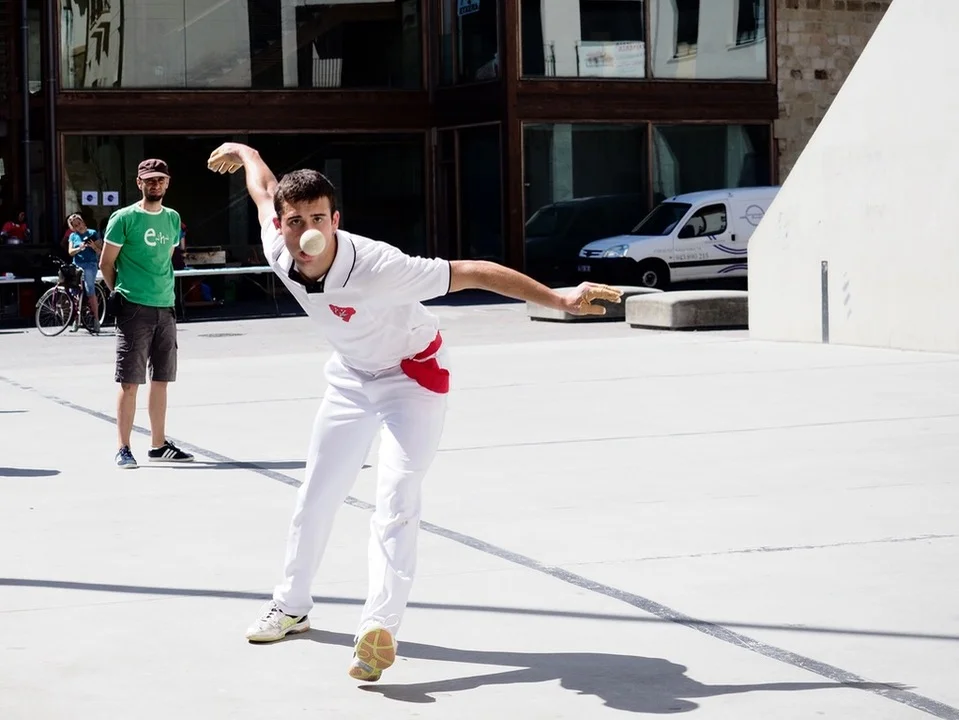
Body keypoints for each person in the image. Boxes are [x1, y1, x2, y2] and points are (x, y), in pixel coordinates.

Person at [206, 142, 622, 682]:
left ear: (336, 220)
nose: (307, 232)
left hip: (411, 379)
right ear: (280, 226)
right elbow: (264, 189)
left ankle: (377, 629)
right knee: (316, 495)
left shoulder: (380, 266)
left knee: (396, 499)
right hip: (350, 378)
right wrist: (245, 151)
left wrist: (560, 300)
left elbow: (473, 271)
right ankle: (291, 607)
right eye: (295, 221)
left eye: (318, 219)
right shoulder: (278, 248)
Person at [99, 158, 195, 469]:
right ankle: (123, 447)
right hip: (133, 308)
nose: (155, 184)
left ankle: (158, 444)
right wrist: (119, 292)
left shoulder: (173, 218)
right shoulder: (123, 218)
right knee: (129, 381)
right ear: (139, 182)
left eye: (160, 179)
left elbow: (165, 259)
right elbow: (106, 263)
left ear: (168, 183)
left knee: (162, 379)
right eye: (150, 180)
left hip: (165, 306)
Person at [66, 213, 103, 333]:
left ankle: (96, 320)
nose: (79, 226)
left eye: (79, 223)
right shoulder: (73, 236)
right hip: (77, 264)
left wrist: (93, 246)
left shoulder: (92, 233)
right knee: (74, 292)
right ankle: (76, 319)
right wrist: (79, 248)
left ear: (83, 222)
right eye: (75, 225)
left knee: (89, 289)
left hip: (90, 264)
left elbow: (100, 251)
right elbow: (70, 252)